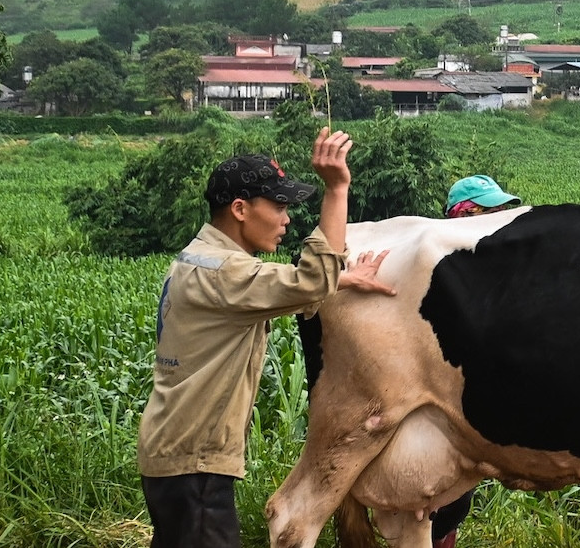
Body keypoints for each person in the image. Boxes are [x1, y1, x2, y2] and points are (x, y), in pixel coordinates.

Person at [137, 128, 395, 548]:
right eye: (278, 206)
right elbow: (309, 280)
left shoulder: (201, 261)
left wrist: (340, 279)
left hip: (176, 456)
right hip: (195, 464)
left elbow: (277, 290)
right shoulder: (225, 273)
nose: (287, 219)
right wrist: (336, 188)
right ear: (240, 209)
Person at [428, 174, 524, 548]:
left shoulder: (491, 261)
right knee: (435, 493)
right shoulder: (437, 264)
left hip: (473, 404)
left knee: (457, 495)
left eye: (501, 211)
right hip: (441, 398)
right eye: (492, 211)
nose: (500, 219)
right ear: (462, 214)